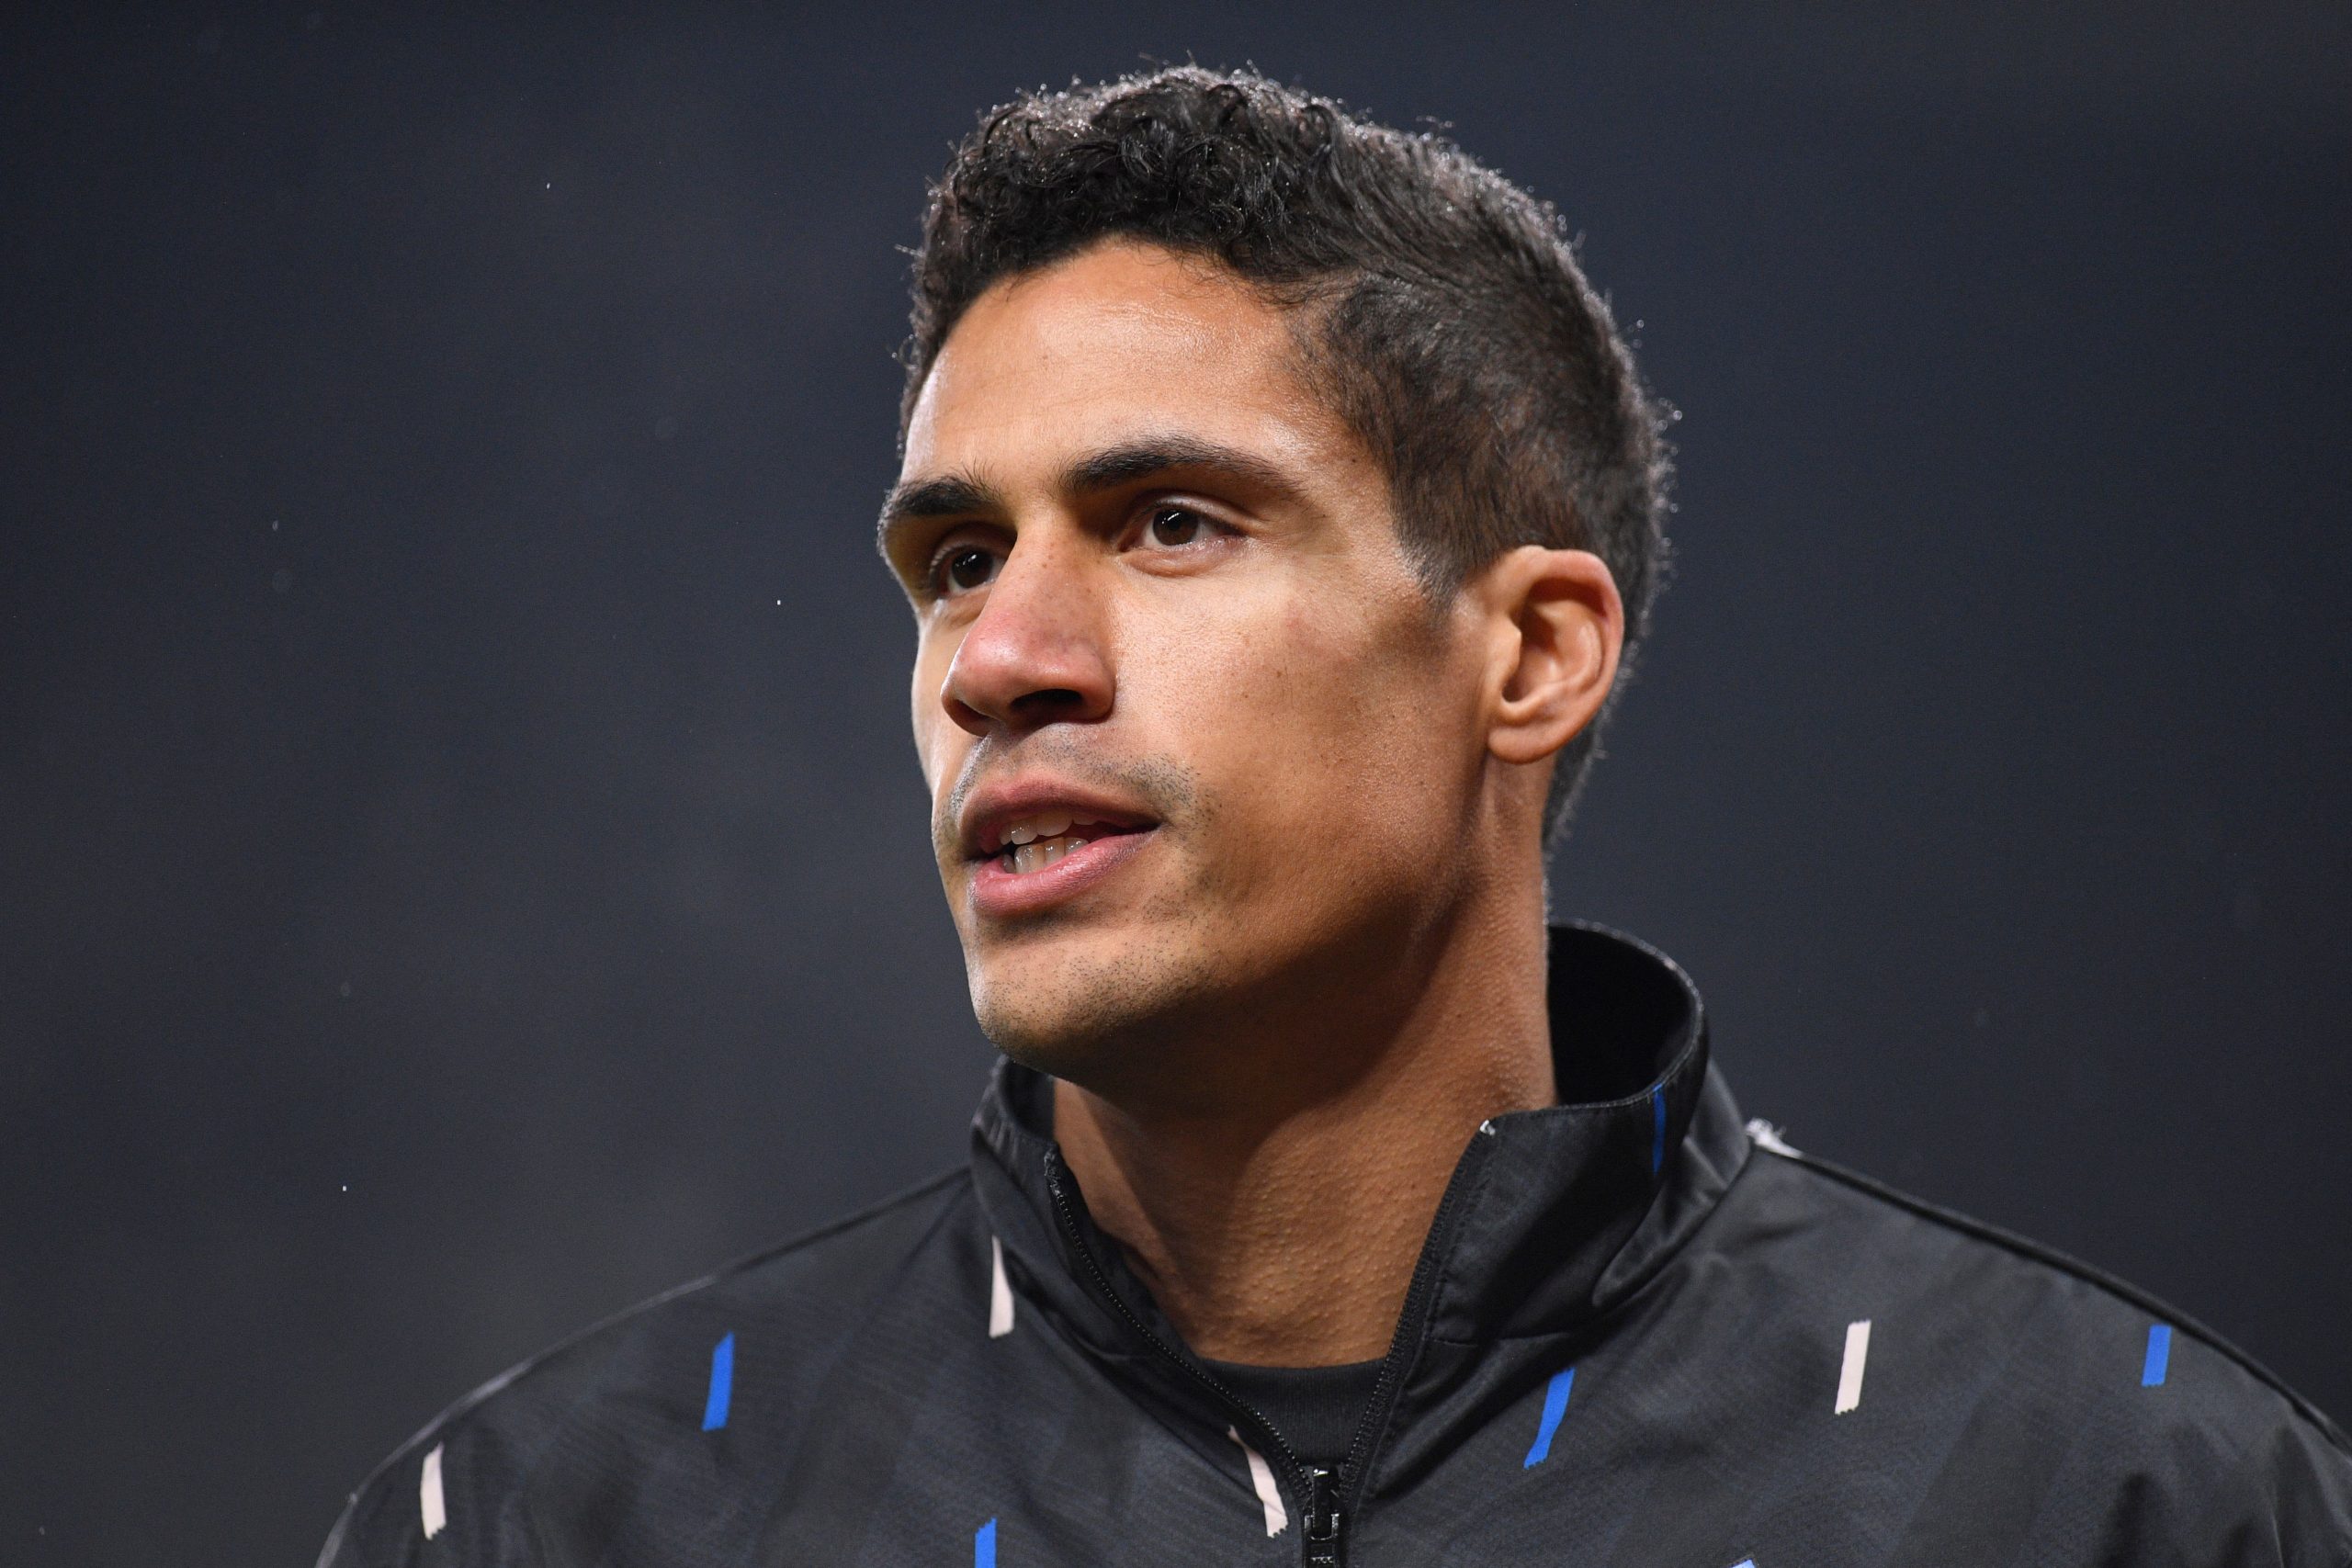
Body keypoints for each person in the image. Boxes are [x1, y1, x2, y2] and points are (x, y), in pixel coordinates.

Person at [319, 66, 2351, 1567]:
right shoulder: (550, 1516)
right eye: (951, 560)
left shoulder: (2117, 1496)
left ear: (1530, 656)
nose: (995, 656)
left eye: (1169, 522)